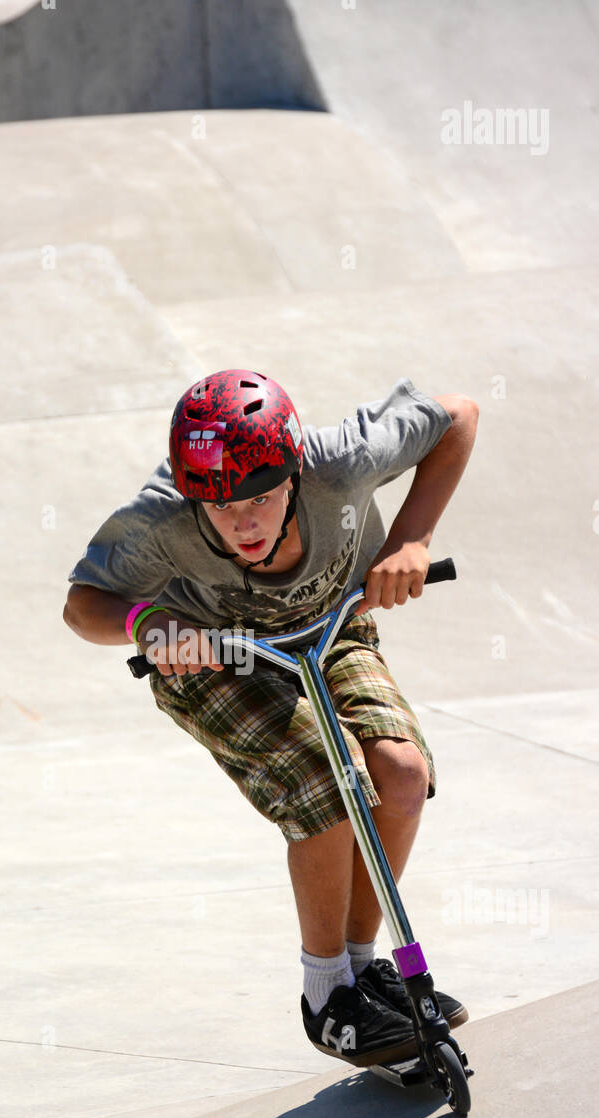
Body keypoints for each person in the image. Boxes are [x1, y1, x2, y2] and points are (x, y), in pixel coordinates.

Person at [64, 369, 479, 1067]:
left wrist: (411, 536)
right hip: (217, 658)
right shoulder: (162, 519)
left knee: (401, 774)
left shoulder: (340, 460)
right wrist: (148, 622)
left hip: (330, 630)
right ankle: (326, 1000)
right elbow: (83, 606)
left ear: (293, 473)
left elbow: (459, 414)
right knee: (325, 778)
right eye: (222, 508)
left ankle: (361, 973)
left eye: (261, 498)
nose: (244, 523)